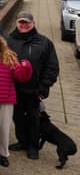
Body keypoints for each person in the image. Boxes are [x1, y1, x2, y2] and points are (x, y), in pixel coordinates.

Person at [7, 11, 59, 160]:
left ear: (33, 23)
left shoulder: (44, 42)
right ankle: (22, 141)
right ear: (17, 23)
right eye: (21, 22)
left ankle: (33, 146)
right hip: (14, 89)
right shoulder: (8, 40)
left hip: (34, 90)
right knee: (17, 117)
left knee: (33, 118)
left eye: (27, 23)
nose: (23, 25)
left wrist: (44, 86)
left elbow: (52, 67)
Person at [0, 33, 32, 167]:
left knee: (3, 128)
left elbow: (21, 77)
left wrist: (26, 67)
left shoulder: (8, 57)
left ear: (1, 44)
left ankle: (4, 154)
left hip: (7, 98)